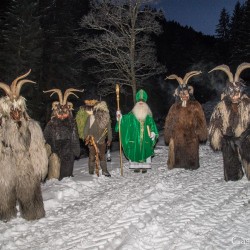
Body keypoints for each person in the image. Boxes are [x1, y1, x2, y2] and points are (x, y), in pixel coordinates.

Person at [0, 70, 48, 221]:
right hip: (6, 163)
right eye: (12, 109)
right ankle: (6, 214)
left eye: (17, 109)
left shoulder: (30, 125)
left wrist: (39, 164)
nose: (15, 112)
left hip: (24, 163)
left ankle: (33, 213)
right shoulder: (2, 125)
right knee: (5, 190)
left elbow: (34, 145)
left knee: (28, 189)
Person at [208, 63, 250, 181]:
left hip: (246, 137)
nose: (235, 96)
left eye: (237, 92)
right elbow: (215, 122)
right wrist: (218, 137)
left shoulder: (247, 104)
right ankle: (234, 174)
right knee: (232, 169)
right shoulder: (221, 106)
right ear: (228, 92)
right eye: (232, 93)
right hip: (230, 139)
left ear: (241, 91)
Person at [164, 71, 207, 170]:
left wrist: (201, 132)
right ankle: (179, 163)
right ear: (178, 94)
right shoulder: (174, 107)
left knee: (191, 151)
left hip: (191, 135)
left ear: (189, 93)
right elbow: (169, 122)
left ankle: (192, 164)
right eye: (182, 93)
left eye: (186, 93)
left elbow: (200, 119)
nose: (184, 95)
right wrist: (168, 134)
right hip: (178, 135)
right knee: (179, 149)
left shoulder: (195, 105)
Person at [116, 89, 159, 173]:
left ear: (145, 104)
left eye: (142, 103)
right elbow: (124, 120)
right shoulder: (131, 115)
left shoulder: (148, 116)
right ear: (136, 104)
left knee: (145, 150)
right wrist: (120, 116)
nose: (141, 103)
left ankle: (144, 167)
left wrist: (153, 133)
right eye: (139, 102)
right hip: (134, 138)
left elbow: (152, 126)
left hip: (146, 138)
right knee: (135, 150)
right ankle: (136, 166)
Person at [43, 88, 82, 180]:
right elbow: (45, 136)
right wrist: (47, 148)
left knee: (66, 172)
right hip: (55, 149)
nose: (62, 114)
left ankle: (66, 182)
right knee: (55, 172)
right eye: (61, 111)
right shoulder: (52, 122)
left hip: (67, 149)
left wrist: (76, 150)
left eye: (65, 111)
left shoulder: (71, 123)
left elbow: (74, 137)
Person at [84, 101, 112, 177]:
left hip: (102, 140)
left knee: (102, 156)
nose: (100, 111)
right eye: (99, 110)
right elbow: (86, 128)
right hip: (92, 140)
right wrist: (86, 137)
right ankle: (91, 171)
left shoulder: (106, 118)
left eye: (102, 110)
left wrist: (109, 139)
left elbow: (109, 129)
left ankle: (104, 171)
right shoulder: (91, 117)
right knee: (92, 156)